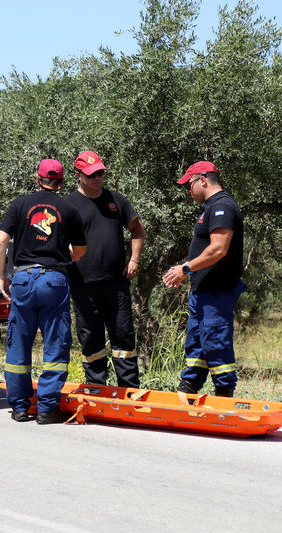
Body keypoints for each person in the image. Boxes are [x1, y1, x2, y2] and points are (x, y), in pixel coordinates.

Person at [0, 159, 86, 424]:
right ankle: (46, 409)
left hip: (22, 279)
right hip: (54, 280)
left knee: (19, 341)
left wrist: (3, 277)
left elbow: (1, 242)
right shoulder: (69, 208)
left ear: (38, 178)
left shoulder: (20, 204)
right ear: (61, 181)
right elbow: (80, 251)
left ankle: (20, 407)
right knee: (55, 343)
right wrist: (65, 257)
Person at [162, 161, 246, 397]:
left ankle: (224, 394)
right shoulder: (210, 207)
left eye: (188, 185)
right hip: (203, 291)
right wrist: (193, 281)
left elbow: (218, 249)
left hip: (217, 292)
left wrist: (185, 269)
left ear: (203, 180)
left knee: (215, 342)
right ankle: (187, 390)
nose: (188, 191)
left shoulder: (223, 207)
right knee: (197, 343)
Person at [66, 151, 145, 388]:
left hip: (116, 283)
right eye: (91, 175)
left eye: (100, 173)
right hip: (83, 285)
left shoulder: (116, 200)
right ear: (79, 175)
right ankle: (96, 388)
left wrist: (134, 260)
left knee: (123, 336)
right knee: (90, 339)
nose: (97, 178)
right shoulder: (69, 205)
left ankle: (129, 390)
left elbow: (137, 229)